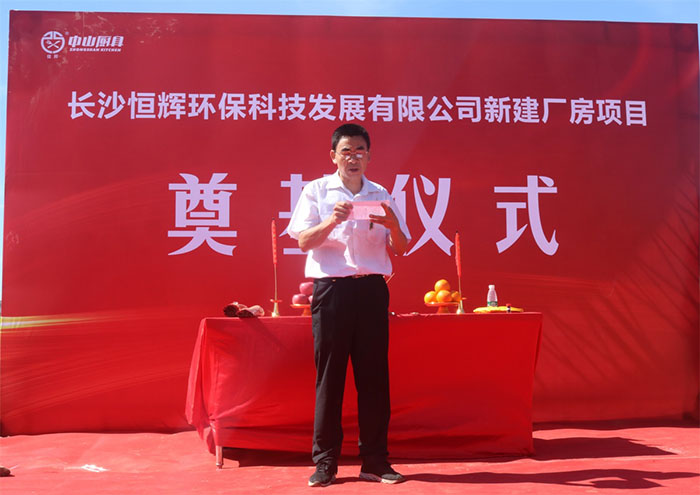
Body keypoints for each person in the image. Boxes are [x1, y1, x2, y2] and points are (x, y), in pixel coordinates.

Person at [288, 123, 410, 487]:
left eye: (360, 151)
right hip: (332, 291)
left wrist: (392, 224)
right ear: (333, 156)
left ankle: (375, 461)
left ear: (369, 156)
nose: (353, 157)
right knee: (331, 378)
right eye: (346, 151)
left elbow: (401, 247)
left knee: (374, 378)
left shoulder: (380, 193)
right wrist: (331, 219)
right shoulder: (316, 191)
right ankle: (325, 462)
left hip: (371, 290)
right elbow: (303, 241)